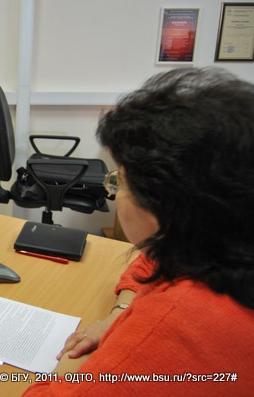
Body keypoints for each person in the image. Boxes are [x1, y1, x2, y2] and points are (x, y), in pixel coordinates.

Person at [24, 67, 254, 396]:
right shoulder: (219, 246)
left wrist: (72, 366)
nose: (115, 192)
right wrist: (119, 316)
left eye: (120, 181)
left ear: (164, 203)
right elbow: (149, 262)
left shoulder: (175, 324)